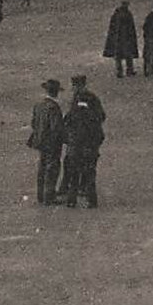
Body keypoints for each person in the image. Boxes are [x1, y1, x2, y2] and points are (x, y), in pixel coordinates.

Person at [62, 75, 106, 209]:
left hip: (77, 144)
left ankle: (71, 200)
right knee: (89, 172)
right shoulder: (92, 99)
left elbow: (68, 120)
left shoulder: (77, 103)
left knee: (73, 172)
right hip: (90, 144)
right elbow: (102, 116)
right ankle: (91, 200)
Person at [27, 78, 66, 206]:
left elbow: (34, 123)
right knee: (52, 168)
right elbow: (57, 128)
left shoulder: (39, 105)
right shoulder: (54, 108)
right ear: (56, 93)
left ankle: (40, 195)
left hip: (40, 141)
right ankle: (49, 196)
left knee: (42, 167)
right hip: (52, 143)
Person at [104, 1, 139, 77]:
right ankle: (128, 71)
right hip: (125, 38)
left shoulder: (116, 14)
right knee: (127, 55)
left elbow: (112, 28)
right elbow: (131, 28)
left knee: (119, 56)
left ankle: (120, 72)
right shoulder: (127, 14)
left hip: (118, 39)